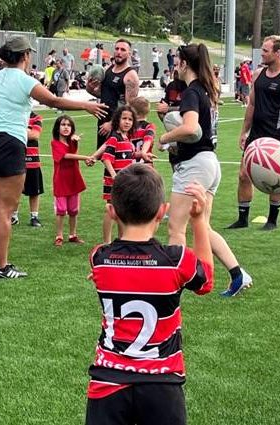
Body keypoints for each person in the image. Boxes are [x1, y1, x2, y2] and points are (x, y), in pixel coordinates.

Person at [85, 163, 213, 425]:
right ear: (162, 212)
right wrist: (200, 222)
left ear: (112, 212)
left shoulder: (99, 257)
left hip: (107, 380)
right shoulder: (176, 260)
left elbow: (114, 267)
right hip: (162, 383)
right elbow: (205, 282)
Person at [0, 36, 106, 279]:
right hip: (10, 143)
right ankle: (2, 267)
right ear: (25, 55)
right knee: (5, 209)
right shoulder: (24, 80)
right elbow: (53, 100)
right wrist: (86, 106)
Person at [158, 43, 252, 297]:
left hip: (195, 165)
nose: (175, 66)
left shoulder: (191, 92)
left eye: (177, 61)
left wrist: (165, 138)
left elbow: (189, 129)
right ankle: (237, 274)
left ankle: (172, 287)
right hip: (209, 162)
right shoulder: (206, 91)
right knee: (202, 226)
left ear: (184, 64)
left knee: (175, 229)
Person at [229, 35, 280, 230]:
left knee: (276, 178)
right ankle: (242, 219)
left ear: (278, 53)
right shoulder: (257, 74)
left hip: (277, 136)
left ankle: (272, 220)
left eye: (266, 50)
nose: (262, 53)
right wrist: (244, 131)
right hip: (256, 135)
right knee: (244, 175)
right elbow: (251, 104)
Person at [86, 39, 140, 149]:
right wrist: (90, 87)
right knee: (105, 159)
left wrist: (111, 123)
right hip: (103, 122)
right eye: (117, 49)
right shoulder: (108, 70)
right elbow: (103, 94)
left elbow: (130, 107)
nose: (119, 52)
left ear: (129, 54)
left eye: (123, 50)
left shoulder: (130, 76)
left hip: (117, 126)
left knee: (118, 161)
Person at [51, 115, 93, 246]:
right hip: (61, 181)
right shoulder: (55, 143)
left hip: (74, 179)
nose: (66, 127)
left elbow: (72, 151)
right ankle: (59, 235)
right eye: (63, 124)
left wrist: (74, 141)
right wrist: (86, 157)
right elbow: (67, 156)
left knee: (74, 210)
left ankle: (72, 235)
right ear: (57, 128)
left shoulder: (71, 142)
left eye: (69, 125)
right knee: (61, 210)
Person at [100, 106, 137, 244]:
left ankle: (123, 240)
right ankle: (107, 242)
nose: (127, 122)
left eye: (130, 119)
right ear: (117, 120)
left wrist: (142, 154)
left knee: (123, 211)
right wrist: (114, 175)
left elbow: (130, 156)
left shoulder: (127, 139)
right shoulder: (114, 138)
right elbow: (106, 158)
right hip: (114, 181)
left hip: (125, 181)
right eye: (124, 118)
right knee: (111, 210)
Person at [12, 112, 45, 227]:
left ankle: (34, 216)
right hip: (17, 160)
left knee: (34, 191)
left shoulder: (36, 117)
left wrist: (17, 130)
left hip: (33, 162)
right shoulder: (14, 114)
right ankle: (14, 216)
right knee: (15, 190)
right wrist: (27, 131)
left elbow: (35, 135)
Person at [129, 97, 155, 165]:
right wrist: (143, 152)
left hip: (129, 165)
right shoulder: (149, 127)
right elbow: (148, 139)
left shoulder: (127, 127)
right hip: (146, 165)